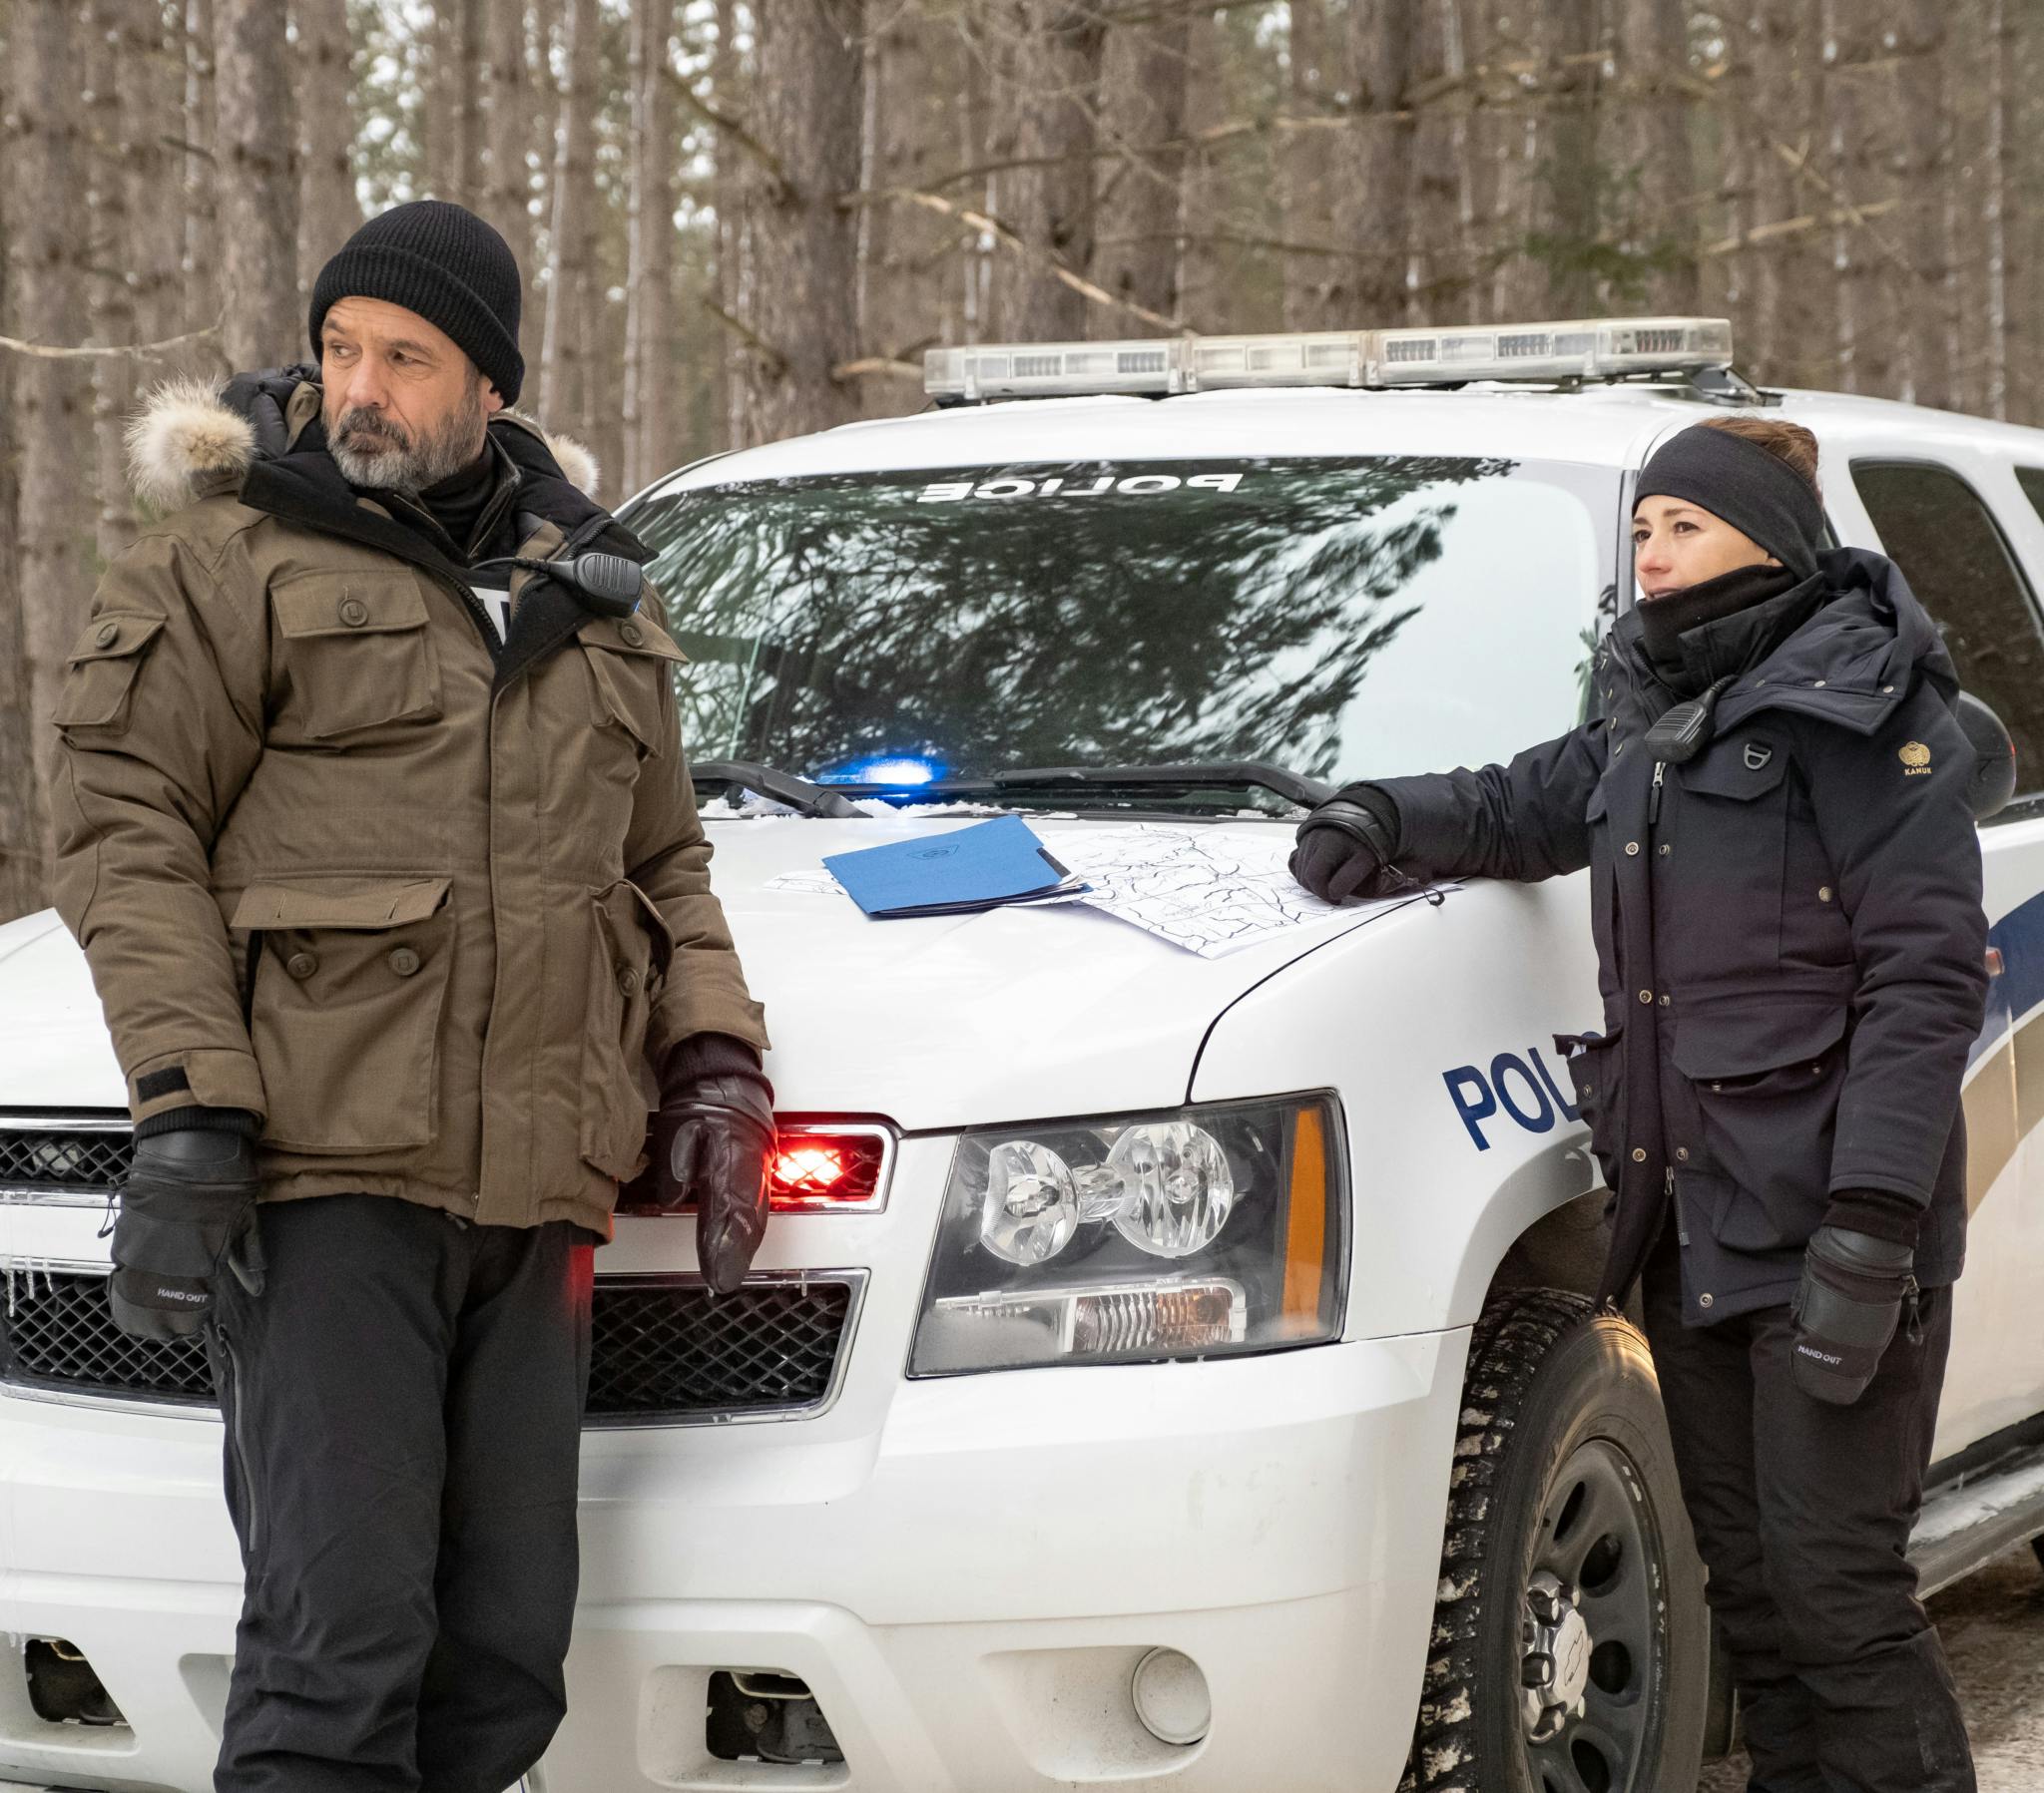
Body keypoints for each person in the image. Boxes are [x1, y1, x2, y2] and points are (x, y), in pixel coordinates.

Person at [52, 200, 776, 1793]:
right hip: (325, 1186)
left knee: (504, 1660)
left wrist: (718, 1062)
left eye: (405, 355)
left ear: (490, 388)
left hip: (537, 1197)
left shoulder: (592, 598)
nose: (358, 386)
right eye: (338, 349)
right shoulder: (225, 563)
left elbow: (667, 863)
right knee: (339, 1655)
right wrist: (187, 1109)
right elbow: (123, 829)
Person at [1292, 416, 1984, 1793]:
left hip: (1833, 1234)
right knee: (1759, 1605)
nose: (1654, 554)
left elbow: (1924, 983)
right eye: (1644, 529)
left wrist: (1871, 1223)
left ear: (1769, 540)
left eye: (1685, 525)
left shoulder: (1871, 719)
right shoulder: (1647, 714)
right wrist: (1374, 814)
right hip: (1690, 1230)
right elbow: (1518, 806)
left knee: (1841, 1600)